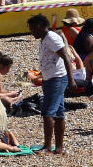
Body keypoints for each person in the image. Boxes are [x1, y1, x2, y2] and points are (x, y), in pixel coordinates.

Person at [27, 14, 74, 154]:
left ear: (41, 26)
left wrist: (71, 80)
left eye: (33, 29)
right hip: (50, 79)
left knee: (48, 112)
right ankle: (59, 148)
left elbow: (66, 56)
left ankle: (47, 147)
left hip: (57, 79)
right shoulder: (44, 40)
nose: (32, 32)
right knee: (59, 113)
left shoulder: (52, 38)